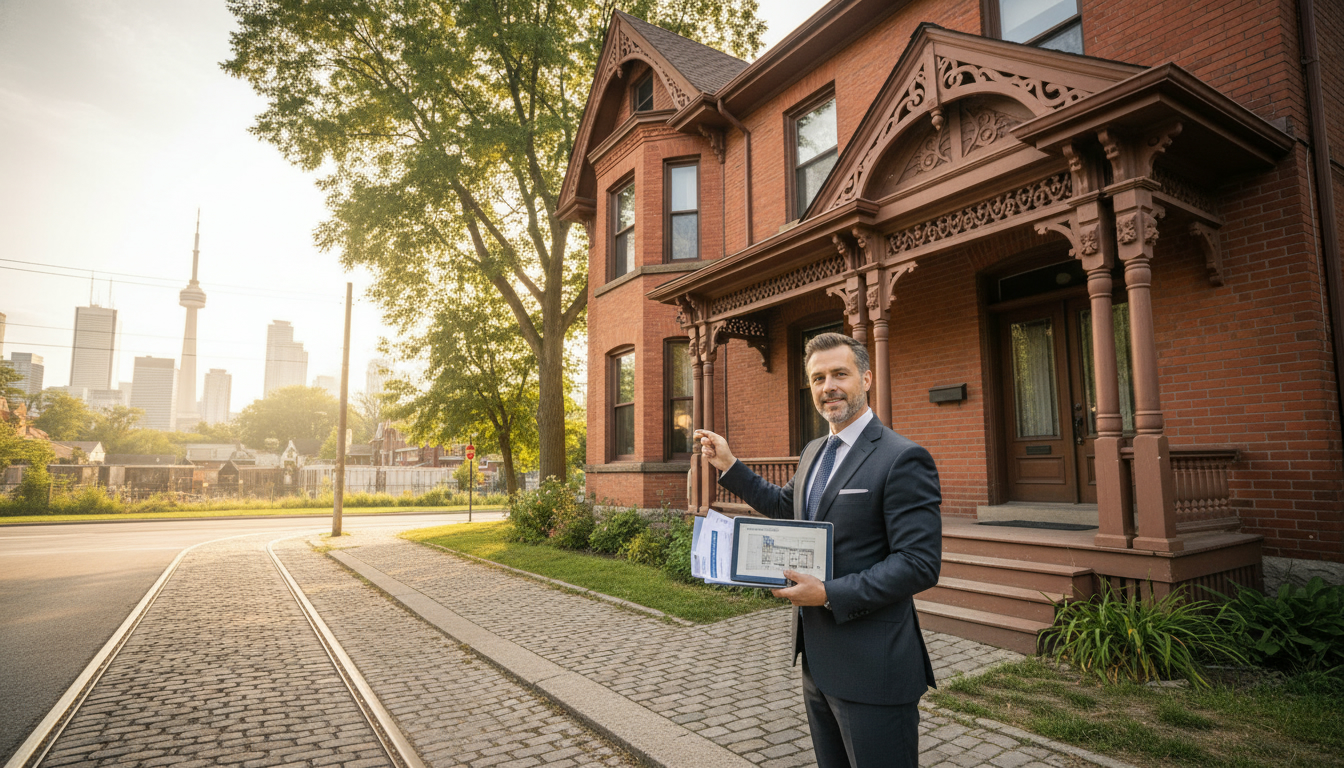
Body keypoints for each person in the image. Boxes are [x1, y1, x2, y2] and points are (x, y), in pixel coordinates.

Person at [694, 332, 941, 768]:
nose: (828, 386)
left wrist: (828, 593)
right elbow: (784, 507)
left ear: (865, 378)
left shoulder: (902, 457)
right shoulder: (814, 452)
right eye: (817, 377)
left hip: (874, 667)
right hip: (817, 662)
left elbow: (918, 564)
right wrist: (729, 465)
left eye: (839, 374)